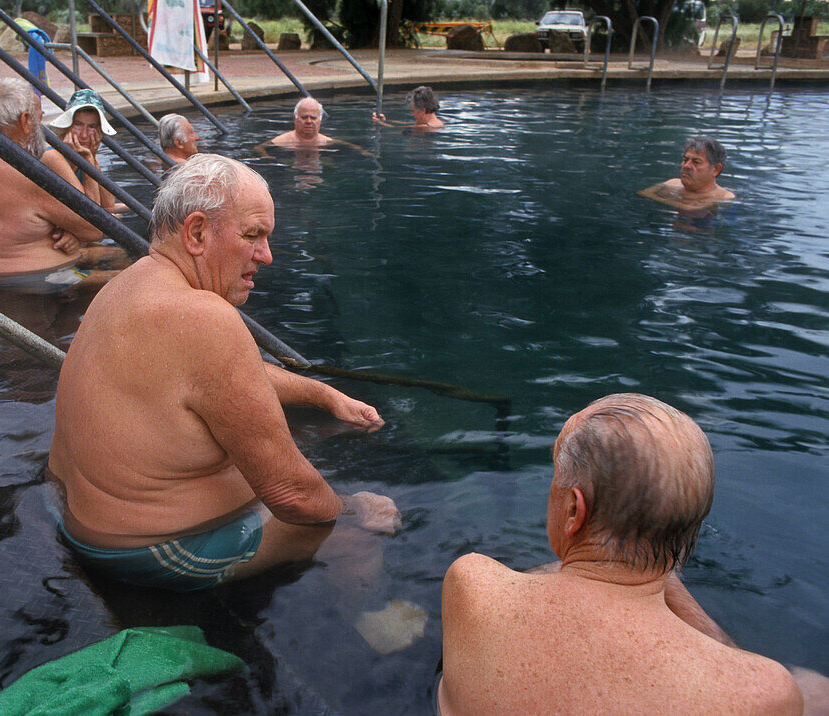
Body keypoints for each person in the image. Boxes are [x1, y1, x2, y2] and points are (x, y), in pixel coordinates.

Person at [47, 154, 399, 591]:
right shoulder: (205, 318)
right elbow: (295, 496)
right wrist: (352, 510)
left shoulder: (132, 283)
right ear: (196, 232)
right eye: (252, 235)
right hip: (153, 550)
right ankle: (381, 632)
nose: (266, 256)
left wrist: (324, 396)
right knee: (359, 528)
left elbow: (222, 375)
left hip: (83, 519)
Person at [439, 393, 805, 715]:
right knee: (817, 692)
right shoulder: (764, 693)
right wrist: (662, 569)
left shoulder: (473, 585)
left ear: (573, 510)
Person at [0, 79, 120, 295]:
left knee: (119, 254)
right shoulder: (41, 160)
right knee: (130, 275)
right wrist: (89, 165)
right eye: (39, 118)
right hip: (38, 281)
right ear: (25, 121)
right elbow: (96, 228)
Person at [41, 88, 125, 217]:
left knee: (125, 209)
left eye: (91, 127)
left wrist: (93, 158)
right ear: (67, 125)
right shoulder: (53, 155)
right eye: (78, 125)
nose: (84, 135)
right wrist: (88, 159)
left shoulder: (83, 152)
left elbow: (108, 204)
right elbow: (92, 214)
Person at [638, 135, 736, 212]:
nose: (686, 166)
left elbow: (691, 210)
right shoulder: (672, 183)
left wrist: (663, 200)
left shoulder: (725, 197)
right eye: (685, 160)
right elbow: (642, 193)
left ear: (715, 169)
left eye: (696, 162)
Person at [372, 85, 444, 129]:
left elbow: (396, 129)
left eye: (413, 111)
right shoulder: (429, 122)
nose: (412, 114)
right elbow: (405, 124)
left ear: (423, 111)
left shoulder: (427, 127)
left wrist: (379, 124)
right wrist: (384, 121)